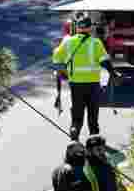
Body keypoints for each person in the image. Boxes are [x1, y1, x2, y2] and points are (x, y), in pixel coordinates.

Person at [52, 12, 123, 141]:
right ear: (90, 28)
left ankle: (74, 136)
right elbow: (104, 61)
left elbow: (56, 58)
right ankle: (94, 140)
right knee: (93, 113)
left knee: (77, 114)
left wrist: (62, 72)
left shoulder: (68, 42)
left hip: (75, 84)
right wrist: (114, 73)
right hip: (92, 84)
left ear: (78, 28)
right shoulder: (95, 43)